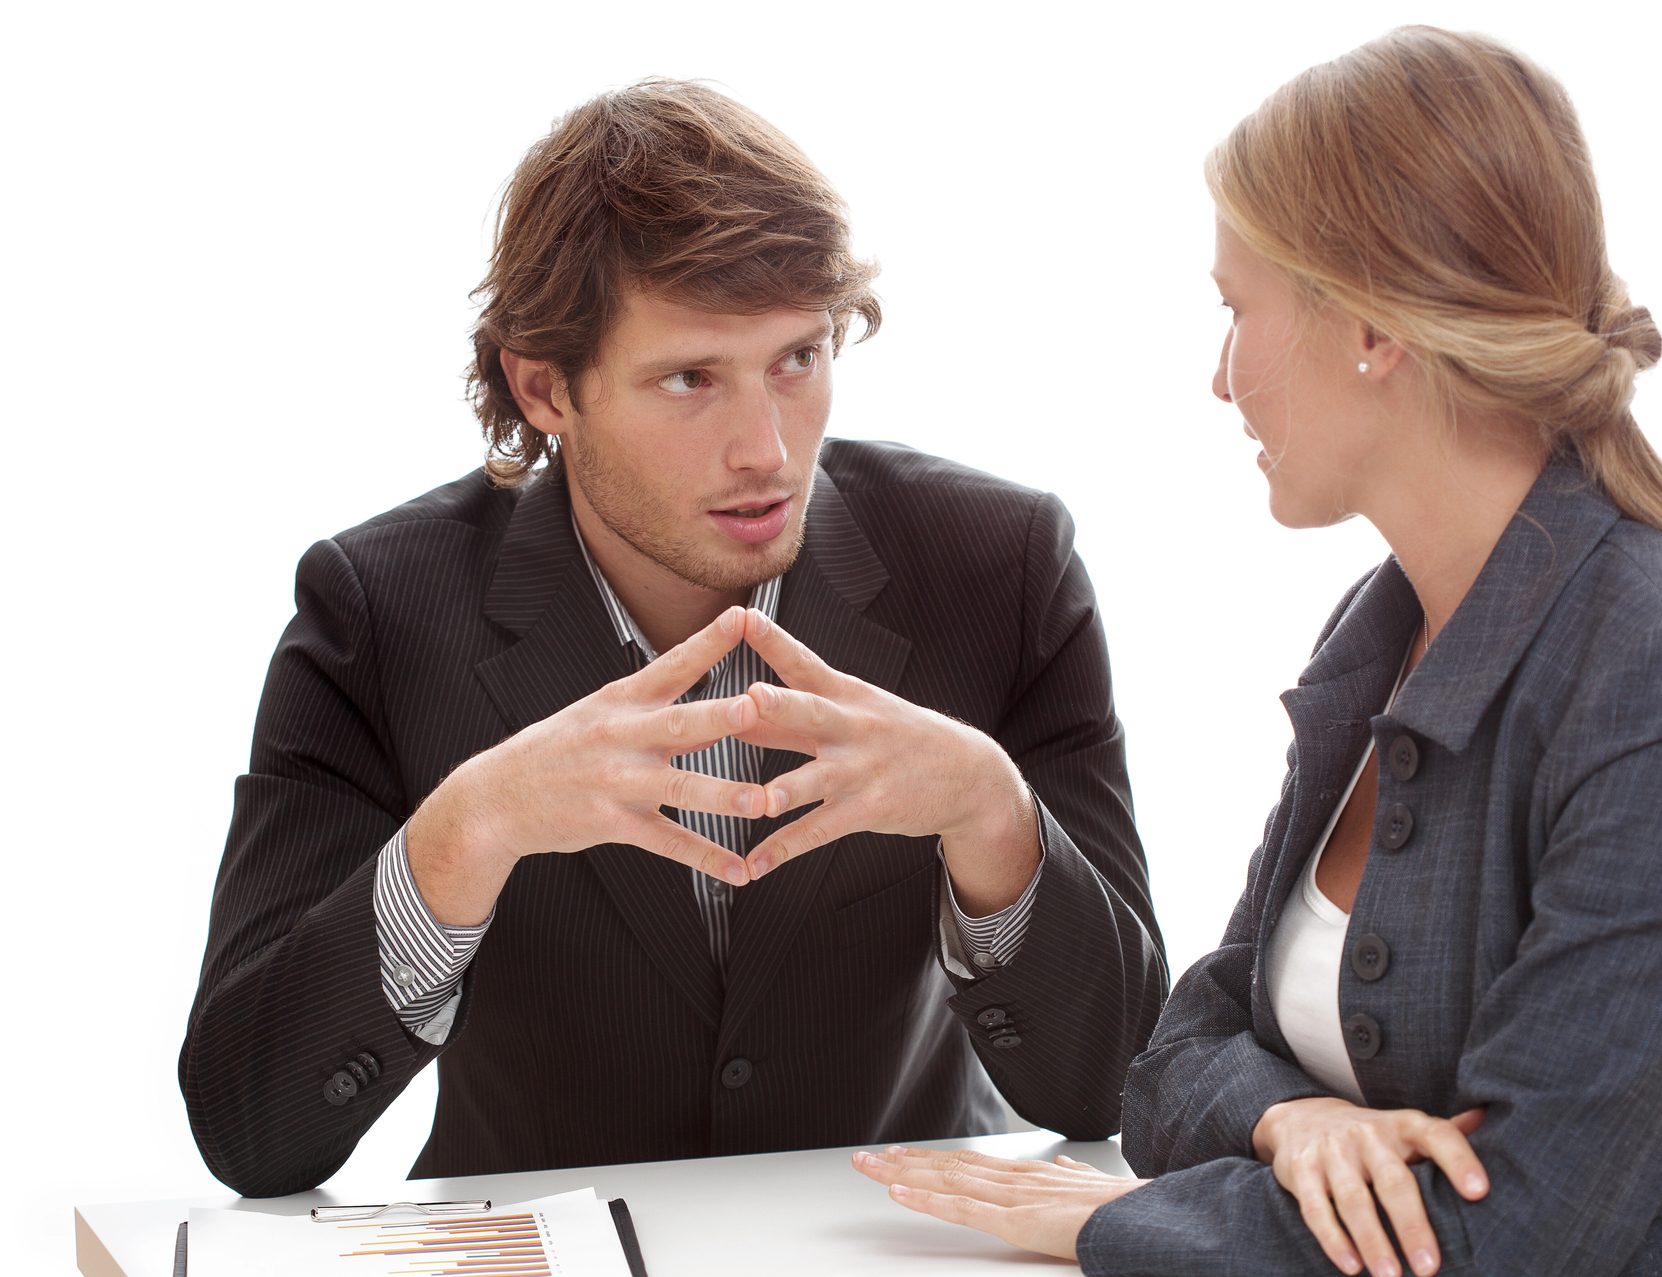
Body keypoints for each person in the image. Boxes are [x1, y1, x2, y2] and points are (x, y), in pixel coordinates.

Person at [851, 27, 1662, 1277]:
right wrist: (1293, 1118)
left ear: (1372, 324)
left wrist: (1108, 1220)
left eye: (1236, 308)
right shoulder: (1382, 631)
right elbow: (1177, 1059)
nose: (1220, 377)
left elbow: (1525, 1227)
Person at [179, 80, 1167, 1199]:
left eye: (796, 359)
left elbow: (1115, 1091)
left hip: (898, 1267)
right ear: (543, 384)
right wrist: (466, 830)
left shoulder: (1001, 567)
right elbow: (249, 1126)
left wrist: (992, 815)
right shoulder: (378, 610)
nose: (767, 450)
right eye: (690, 377)